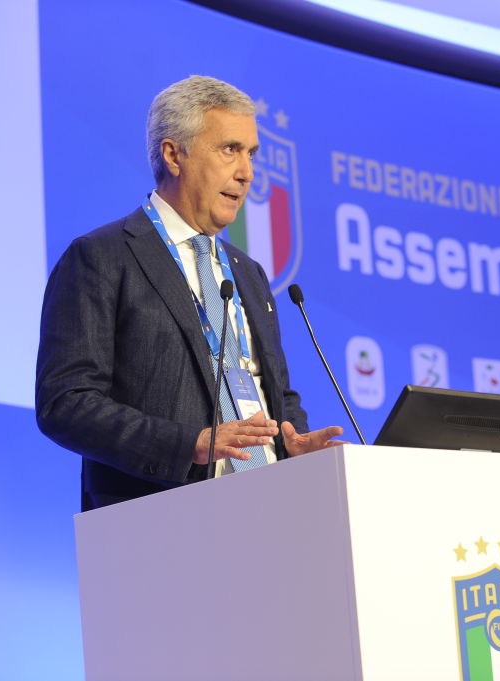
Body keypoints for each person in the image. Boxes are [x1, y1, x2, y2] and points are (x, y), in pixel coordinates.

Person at [36, 76, 343, 510]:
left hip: (270, 507)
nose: (248, 172)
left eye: (251, 154)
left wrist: (294, 442)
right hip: (161, 513)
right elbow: (65, 404)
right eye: (230, 149)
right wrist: (190, 445)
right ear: (173, 154)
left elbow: (273, 391)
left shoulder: (248, 273)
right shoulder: (102, 257)